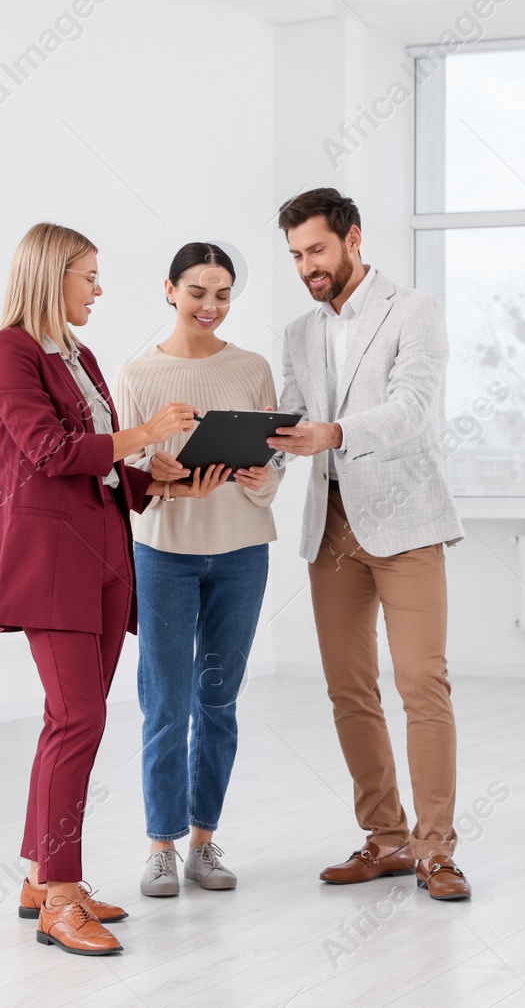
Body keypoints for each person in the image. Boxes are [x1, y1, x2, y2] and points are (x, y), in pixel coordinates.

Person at [0, 222, 198, 956]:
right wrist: (144, 433)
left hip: (105, 554)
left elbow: (97, 469)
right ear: (51, 275)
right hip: (49, 562)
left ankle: (44, 878)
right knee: (79, 720)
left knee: (69, 718)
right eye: (89, 276)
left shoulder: (81, 355)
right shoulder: (7, 351)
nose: (99, 290)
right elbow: (46, 451)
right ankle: (61, 897)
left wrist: (152, 474)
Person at [266, 188, 471, 901]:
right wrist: (247, 454)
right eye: (295, 255)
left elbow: (412, 410)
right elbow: (292, 421)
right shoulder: (298, 331)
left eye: (316, 250)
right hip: (330, 527)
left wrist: (336, 432)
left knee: (421, 683)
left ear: (353, 237)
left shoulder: (412, 311)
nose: (307, 267)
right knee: (350, 689)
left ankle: (436, 849)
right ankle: (386, 837)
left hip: (406, 524)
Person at [113, 243, 283, 897]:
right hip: (162, 550)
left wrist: (258, 476)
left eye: (221, 293)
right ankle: (161, 845)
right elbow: (123, 476)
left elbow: (270, 471)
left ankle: (204, 841)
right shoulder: (135, 375)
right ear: (168, 290)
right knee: (166, 698)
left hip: (242, 548)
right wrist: (165, 478)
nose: (210, 305)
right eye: (196, 291)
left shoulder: (252, 368)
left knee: (217, 697)